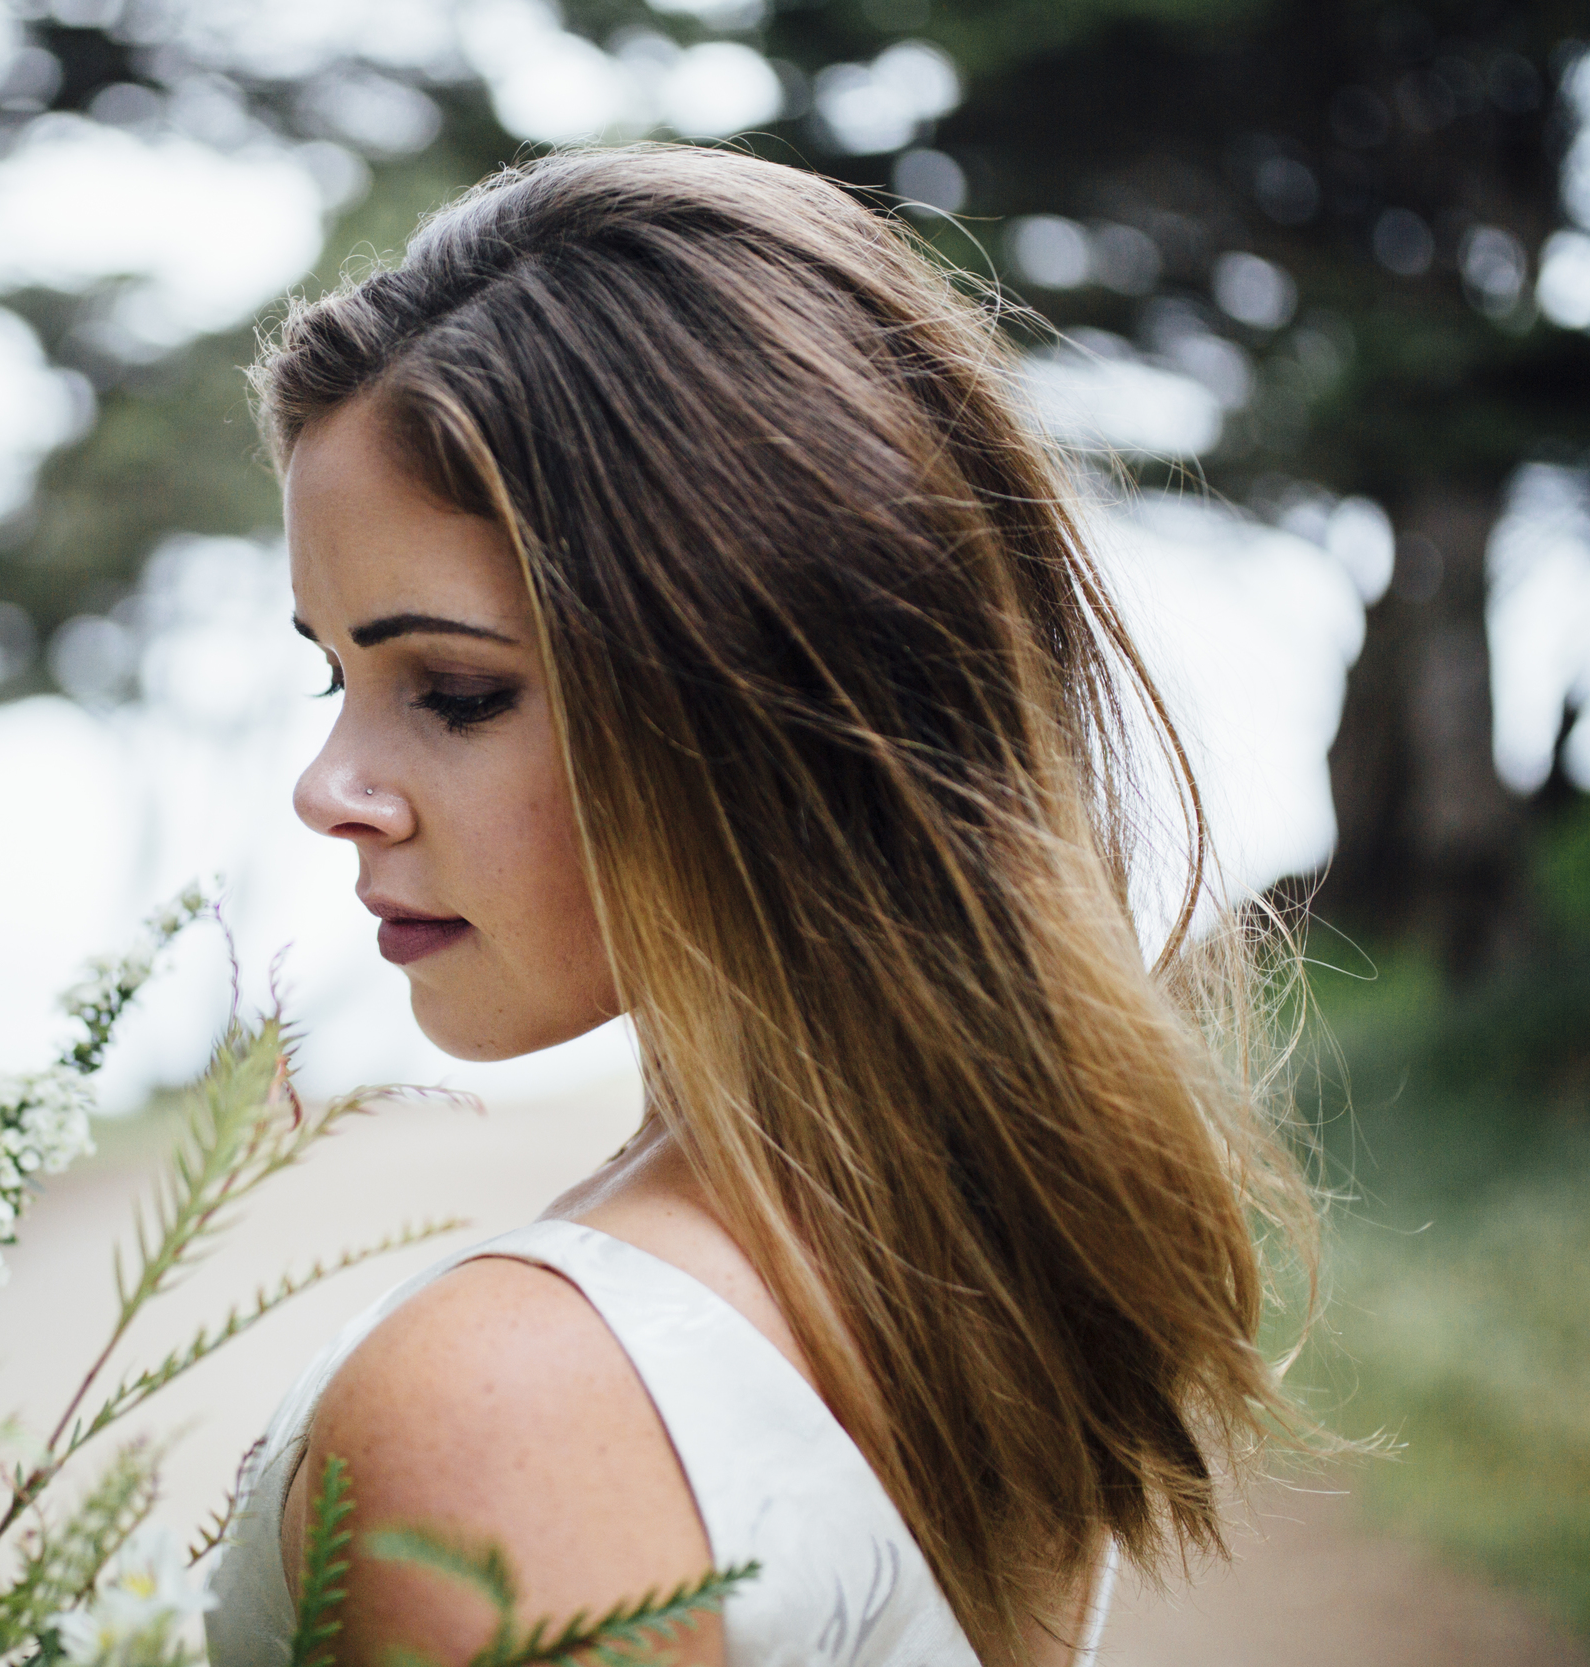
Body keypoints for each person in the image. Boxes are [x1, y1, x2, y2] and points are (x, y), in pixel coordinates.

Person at [204, 145, 1316, 1667]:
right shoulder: (962, 1250)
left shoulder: (513, 1404)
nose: (329, 785)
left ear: (766, 698)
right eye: (338, 673)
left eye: (454, 692)